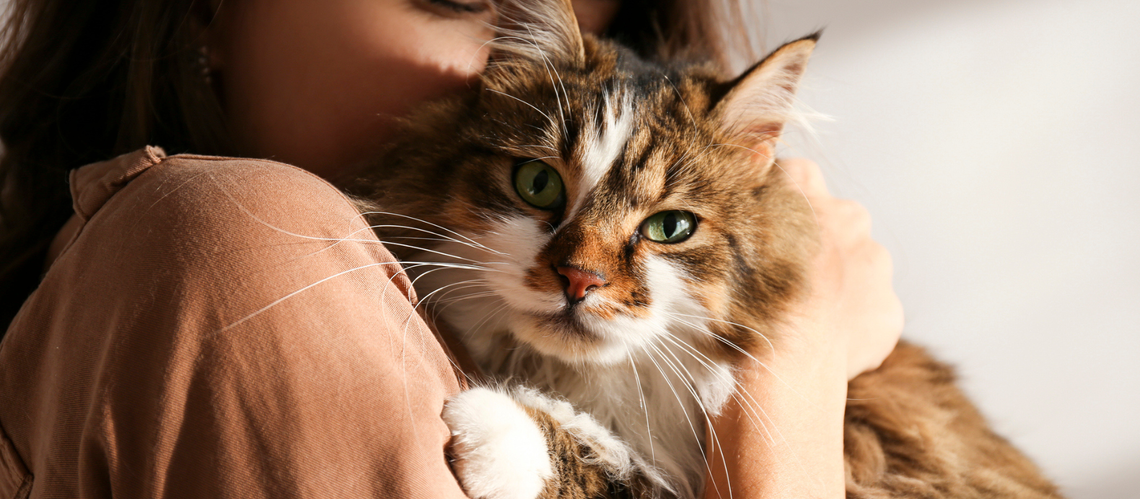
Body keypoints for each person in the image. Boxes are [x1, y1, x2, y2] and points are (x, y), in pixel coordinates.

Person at [0, 0, 903, 497]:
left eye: (604, 14)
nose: (523, 74)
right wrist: (793, 372)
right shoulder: (241, 245)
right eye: (467, 1)